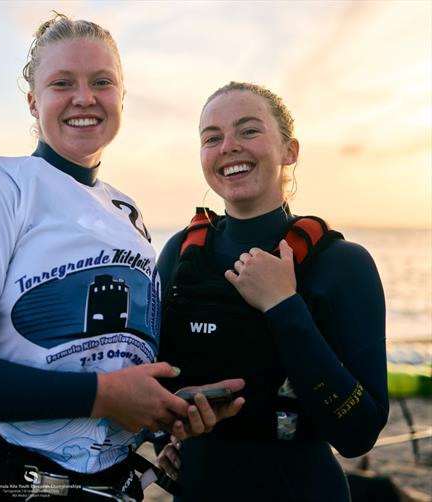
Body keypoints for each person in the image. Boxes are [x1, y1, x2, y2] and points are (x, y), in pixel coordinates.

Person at [0, 13, 244, 502]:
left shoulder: (128, 212)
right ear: (33, 101)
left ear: (122, 97)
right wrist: (104, 396)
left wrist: (164, 414)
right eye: (62, 83)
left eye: (102, 82)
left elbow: (115, 357)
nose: (84, 98)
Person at [155, 82, 389, 501]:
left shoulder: (342, 264)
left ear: (290, 151)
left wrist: (284, 306)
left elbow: (360, 433)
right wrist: (166, 435)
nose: (228, 146)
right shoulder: (180, 253)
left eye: (248, 131)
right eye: (212, 138)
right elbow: (157, 381)